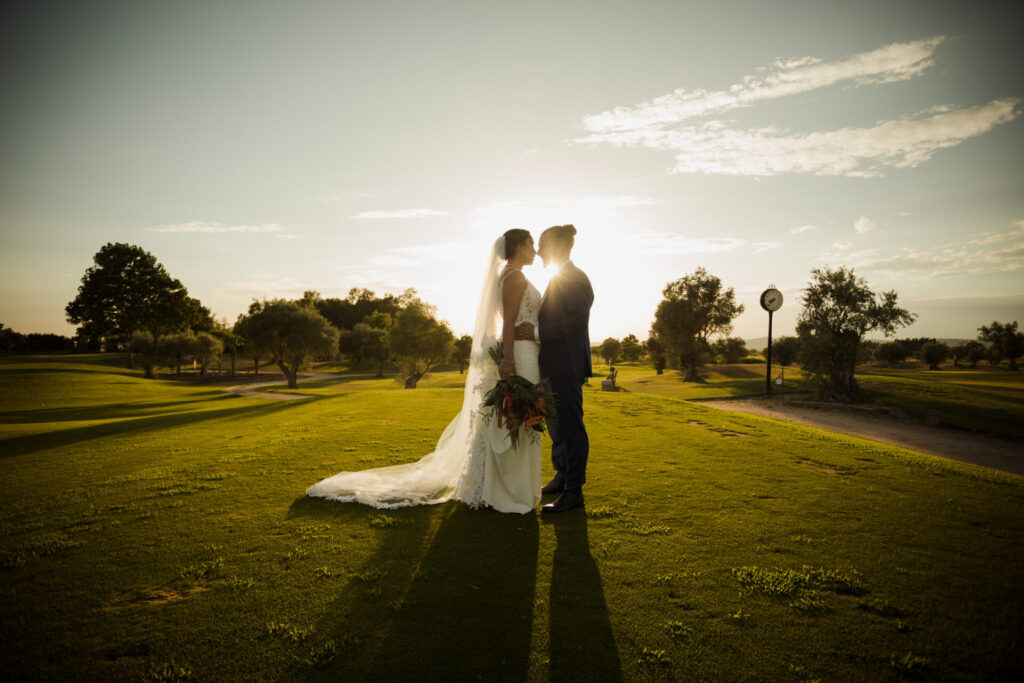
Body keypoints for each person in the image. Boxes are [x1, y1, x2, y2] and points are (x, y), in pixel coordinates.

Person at [305, 229, 543, 513]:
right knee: (519, 418)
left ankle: (505, 486)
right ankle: (512, 491)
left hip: (523, 351)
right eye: (531, 244)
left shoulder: (506, 275)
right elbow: (507, 324)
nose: (535, 249)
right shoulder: (514, 277)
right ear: (518, 246)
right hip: (519, 354)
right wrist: (508, 361)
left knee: (515, 418)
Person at [515, 224, 593, 513]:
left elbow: (575, 322)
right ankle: (561, 477)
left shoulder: (576, 279)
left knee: (571, 429)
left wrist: (535, 333)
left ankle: (574, 492)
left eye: (543, 246)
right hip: (552, 366)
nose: (538, 251)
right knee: (557, 430)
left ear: (558, 247)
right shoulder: (558, 278)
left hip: (567, 366)